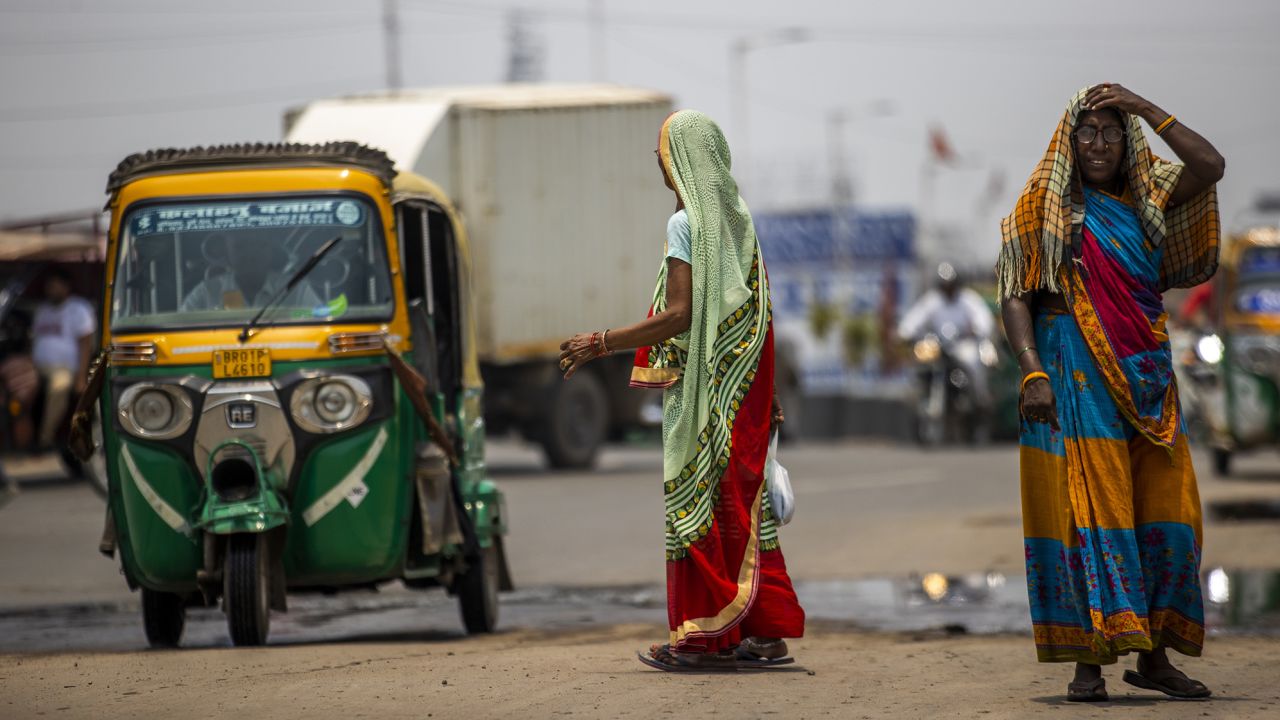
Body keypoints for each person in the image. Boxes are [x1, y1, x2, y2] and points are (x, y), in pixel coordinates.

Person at [997, 84, 1224, 702]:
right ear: (1069, 142)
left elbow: (1209, 166)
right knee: (1089, 509)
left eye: (1111, 132)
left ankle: (1155, 658)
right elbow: (1015, 291)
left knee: (1169, 513)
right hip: (1072, 370)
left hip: (1147, 371)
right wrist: (1031, 370)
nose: (1098, 144)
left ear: (1128, 142)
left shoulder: (1149, 198)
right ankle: (1089, 664)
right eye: (1087, 132)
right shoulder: (1043, 205)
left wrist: (1147, 107)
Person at [558, 110, 806, 671]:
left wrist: (602, 341)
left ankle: (700, 639)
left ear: (686, 159)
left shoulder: (685, 225)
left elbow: (680, 314)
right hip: (741, 393)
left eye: (664, 150)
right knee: (742, 509)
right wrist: (767, 396)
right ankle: (763, 636)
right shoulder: (738, 222)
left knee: (699, 509)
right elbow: (757, 316)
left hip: (703, 401)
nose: (657, 160)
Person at [898, 262, 996, 409]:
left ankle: (980, 399)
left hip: (962, 345)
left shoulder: (968, 300)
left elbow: (983, 320)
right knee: (919, 364)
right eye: (945, 285)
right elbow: (915, 318)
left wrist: (977, 330)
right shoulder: (932, 300)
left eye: (951, 284)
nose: (948, 288)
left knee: (973, 363)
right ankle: (919, 400)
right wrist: (905, 333)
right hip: (938, 346)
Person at [31, 268, 96, 449]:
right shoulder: (43, 309)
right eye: (49, 287)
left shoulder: (79, 308)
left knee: (59, 386)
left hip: (65, 367)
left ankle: (45, 438)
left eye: (54, 286)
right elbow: (34, 340)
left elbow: (86, 345)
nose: (51, 290)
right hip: (38, 366)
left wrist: (81, 377)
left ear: (66, 287)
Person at [180, 232, 321, 312]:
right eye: (240, 246)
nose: (251, 254)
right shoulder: (206, 293)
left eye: (259, 245)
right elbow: (179, 330)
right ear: (227, 252)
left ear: (270, 251)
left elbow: (321, 322)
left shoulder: (296, 290)